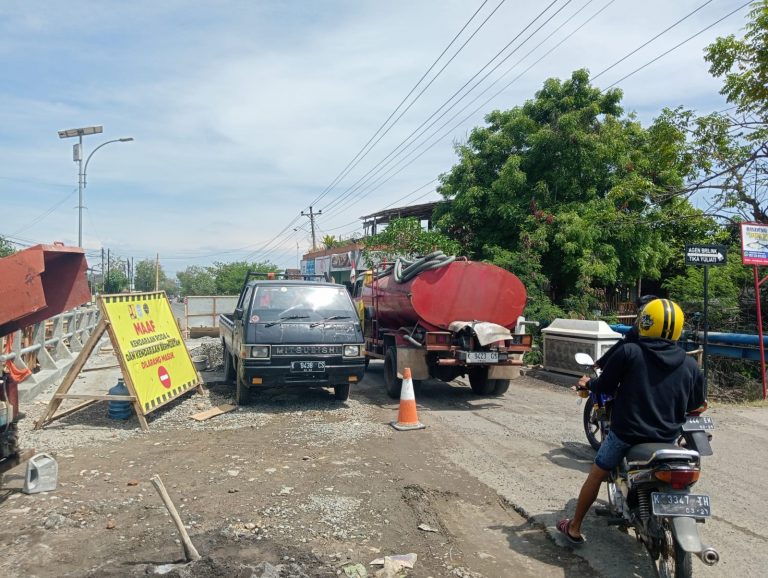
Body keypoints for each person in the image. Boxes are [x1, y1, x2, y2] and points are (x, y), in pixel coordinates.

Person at [557, 298, 705, 544]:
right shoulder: (690, 364)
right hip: (667, 439)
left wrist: (587, 383)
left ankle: (574, 527)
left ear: (644, 322)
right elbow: (695, 405)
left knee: (595, 474)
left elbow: (604, 386)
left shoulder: (629, 351)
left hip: (627, 434)